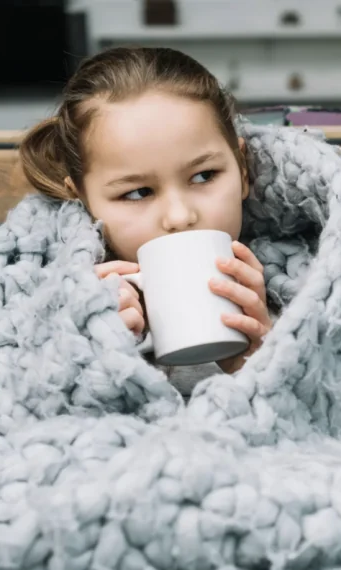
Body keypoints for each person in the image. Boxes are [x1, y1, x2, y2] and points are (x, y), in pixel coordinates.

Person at [17, 46, 272, 378]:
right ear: (83, 201)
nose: (180, 217)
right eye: (137, 193)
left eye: (204, 176)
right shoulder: (39, 308)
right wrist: (85, 360)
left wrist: (264, 361)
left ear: (241, 171)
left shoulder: (309, 294)